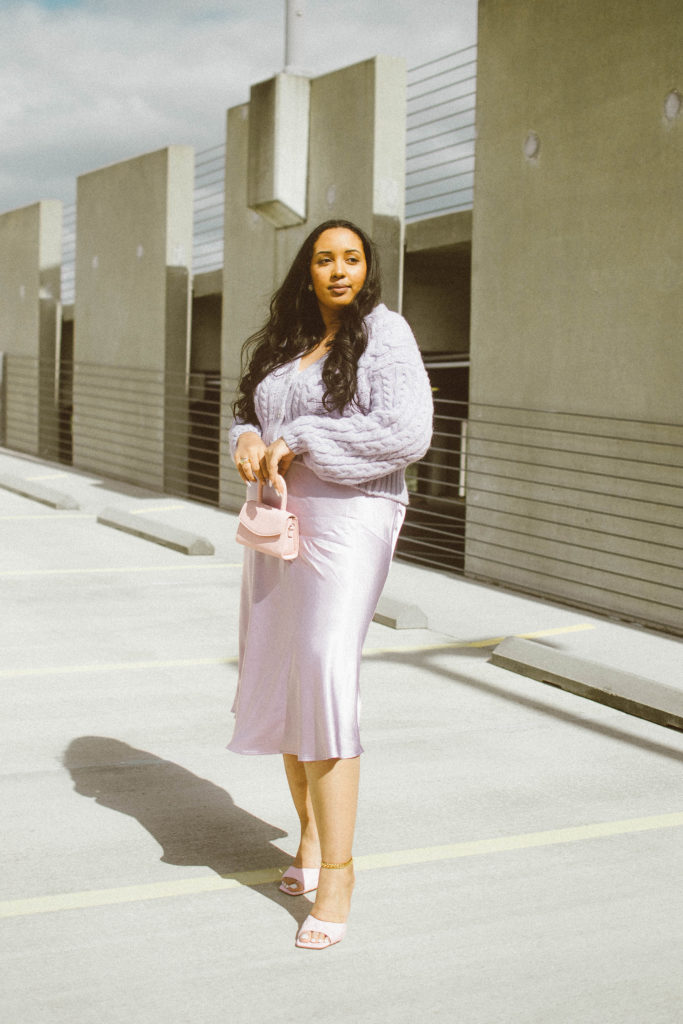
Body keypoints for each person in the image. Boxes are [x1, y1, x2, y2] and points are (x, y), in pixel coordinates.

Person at [228, 219, 433, 949]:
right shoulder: (287, 339)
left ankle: (340, 873)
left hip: (351, 518)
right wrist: (248, 440)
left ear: (366, 268)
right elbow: (248, 415)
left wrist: (306, 438)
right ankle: (309, 844)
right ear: (307, 269)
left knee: (320, 673)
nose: (338, 269)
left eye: (351, 258)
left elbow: (408, 431)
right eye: (324, 258)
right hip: (279, 520)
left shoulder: (385, 333)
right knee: (287, 676)